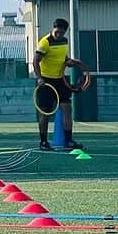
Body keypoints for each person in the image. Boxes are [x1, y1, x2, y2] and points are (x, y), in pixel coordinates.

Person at [33, 18, 89, 152]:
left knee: (67, 109)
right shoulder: (45, 43)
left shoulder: (64, 41)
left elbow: (63, 58)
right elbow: (36, 61)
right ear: (54, 28)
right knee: (45, 112)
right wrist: (40, 78)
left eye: (62, 32)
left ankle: (68, 140)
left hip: (60, 80)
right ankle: (43, 142)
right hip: (46, 81)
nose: (59, 34)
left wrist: (69, 62)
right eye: (57, 31)